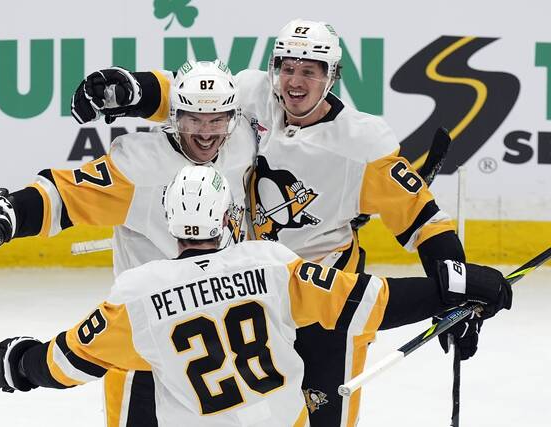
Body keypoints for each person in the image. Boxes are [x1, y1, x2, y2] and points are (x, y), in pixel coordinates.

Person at [70, 19, 474, 426]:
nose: (295, 81)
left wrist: (457, 296)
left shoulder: (363, 145)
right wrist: (131, 90)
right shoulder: (251, 94)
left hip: (323, 301)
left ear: (331, 76)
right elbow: (190, 95)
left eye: (309, 71)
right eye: (287, 67)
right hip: (259, 295)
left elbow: (426, 222)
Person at [0, 165, 513, 427]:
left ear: (170, 221)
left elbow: (66, 363)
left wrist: (18, 363)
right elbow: (373, 301)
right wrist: (462, 285)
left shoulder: (137, 295)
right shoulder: (271, 265)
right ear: (229, 217)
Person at [0, 60, 255, 427]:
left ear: (233, 118)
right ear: (174, 117)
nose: (206, 132)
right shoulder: (141, 168)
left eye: (216, 120)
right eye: (193, 120)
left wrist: (138, 89)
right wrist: (10, 212)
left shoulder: (244, 144)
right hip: (148, 355)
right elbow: (68, 195)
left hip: (227, 350)